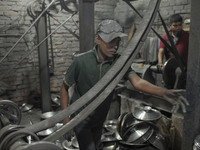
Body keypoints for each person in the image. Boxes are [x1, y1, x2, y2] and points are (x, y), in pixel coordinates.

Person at [60, 19, 189, 150]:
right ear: (98, 39)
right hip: (81, 120)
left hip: (99, 119)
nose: (115, 46)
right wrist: (66, 119)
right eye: (111, 42)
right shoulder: (80, 61)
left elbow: (137, 82)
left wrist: (163, 92)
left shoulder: (119, 62)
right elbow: (64, 88)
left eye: (117, 41)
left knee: (97, 145)